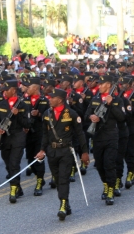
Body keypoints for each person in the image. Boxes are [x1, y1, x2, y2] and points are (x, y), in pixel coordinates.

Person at [35, 88, 88, 221]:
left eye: (52, 97)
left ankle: (62, 204)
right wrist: (42, 150)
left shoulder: (71, 114)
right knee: (58, 179)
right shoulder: (46, 114)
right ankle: (66, 202)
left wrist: (84, 152)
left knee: (64, 178)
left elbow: (80, 134)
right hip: (52, 151)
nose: (49, 99)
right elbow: (45, 134)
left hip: (66, 151)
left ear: (60, 100)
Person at [85, 75, 125, 205]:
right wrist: (91, 117)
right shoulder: (95, 99)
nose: (99, 86)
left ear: (108, 85)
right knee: (100, 165)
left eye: (101, 84)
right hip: (97, 136)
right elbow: (86, 115)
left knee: (109, 164)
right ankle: (106, 184)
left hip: (111, 135)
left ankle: (111, 190)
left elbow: (122, 118)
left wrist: (111, 104)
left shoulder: (117, 100)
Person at [0, 79, 30, 204]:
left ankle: (13, 190)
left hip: (17, 136)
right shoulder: (1, 104)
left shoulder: (23, 105)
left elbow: (27, 123)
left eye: (6, 90)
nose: (4, 93)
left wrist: (18, 115)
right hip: (4, 139)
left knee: (14, 164)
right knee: (8, 164)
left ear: (13, 90)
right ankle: (18, 186)